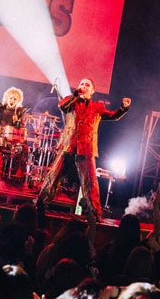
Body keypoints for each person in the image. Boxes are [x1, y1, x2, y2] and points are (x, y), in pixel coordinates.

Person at [36, 77, 131, 219]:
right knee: (54, 176)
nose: (84, 86)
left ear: (92, 91)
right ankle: (40, 204)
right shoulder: (71, 101)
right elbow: (62, 106)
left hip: (86, 147)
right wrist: (75, 95)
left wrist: (123, 108)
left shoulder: (97, 107)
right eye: (81, 84)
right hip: (69, 145)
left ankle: (94, 213)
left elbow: (113, 116)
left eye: (87, 85)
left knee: (90, 182)